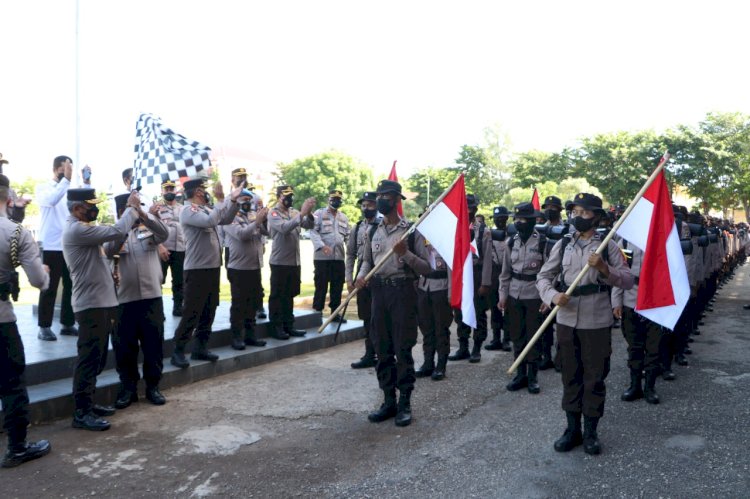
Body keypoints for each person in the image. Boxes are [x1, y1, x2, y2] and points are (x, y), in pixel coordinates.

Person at [536, 193, 633, 455]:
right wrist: (553, 296)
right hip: (567, 319)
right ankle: (572, 430)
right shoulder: (564, 244)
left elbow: (626, 280)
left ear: (597, 217)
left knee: (594, 377)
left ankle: (591, 431)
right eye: (574, 212)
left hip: (596, 321)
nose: (577, 217)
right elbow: (544, 276)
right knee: (570, 375)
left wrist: (604, 268)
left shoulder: (609, 247)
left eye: (584, 212)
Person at [63, 188, 142, 431]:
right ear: (77, 209)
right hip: (91, 305)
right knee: (88, 359)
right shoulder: (77, 229)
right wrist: (131, 208)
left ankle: (89, 403)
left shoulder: (83, 228)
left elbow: (112, 245)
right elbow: (117, 230)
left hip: (101, 302)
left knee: (96, 359)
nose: (94, 210)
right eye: (90, 206)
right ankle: (81, 412)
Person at [355, 180, 432, 427]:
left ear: (397, 200)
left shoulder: (411, 231)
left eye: (386, 196)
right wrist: (361, 275)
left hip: (402, 293)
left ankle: (404, 403)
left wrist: (404, 254)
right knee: (382, 348)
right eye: (379, 196)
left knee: (402, 348)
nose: (381, 200)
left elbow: (427, 268)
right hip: (379, 292)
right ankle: (388, 400)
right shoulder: (373, 230)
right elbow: (367, 260)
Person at [0, 174, 52, 467]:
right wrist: (43, 272)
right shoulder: (16, 233)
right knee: (11, 384)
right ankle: (17, 448)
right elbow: (38, 281)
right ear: (9, 200)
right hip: (1, 321)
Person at [105, 194, 169, 409]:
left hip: (151, 298)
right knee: (124, 349)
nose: (134, 213)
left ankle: (153, 386)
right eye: (130, 209)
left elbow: (164, 233)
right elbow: (109, 250)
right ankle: (128, 388)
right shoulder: (112, 233)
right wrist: (124, 222)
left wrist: (144, 214)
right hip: (124, 301)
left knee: (153, 345)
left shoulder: (146, 230)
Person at [171, 178, 242, 368]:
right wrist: (222, 200)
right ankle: (178, 350)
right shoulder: (188, 210)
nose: (206, 191)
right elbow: (211, 221)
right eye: (203, 188)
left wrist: (233, 202)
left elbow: (225, 219)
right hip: (196, 269)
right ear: (197, 192)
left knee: (209, 309)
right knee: (192, 311)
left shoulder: (207, 209)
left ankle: (200, 347)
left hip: (211, 267)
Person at [498, 202, 547, 394]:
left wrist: (546, 297)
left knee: (533, 336)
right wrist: (502, 295)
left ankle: (533, 376)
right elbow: (504, 273)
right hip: (514, 294)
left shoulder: (542, 242)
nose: (519, 222)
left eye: (523, 219)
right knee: (517, 335)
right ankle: (521, 373)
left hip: (534, 293)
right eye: (516, 219)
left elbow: (550, 273)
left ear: (532, 221)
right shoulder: (511, 242)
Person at [612, 239, 662, 404]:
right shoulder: (625, 242)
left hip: (655, 302)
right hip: (630, 299)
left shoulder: (661, 238)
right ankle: (635, 386)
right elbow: (619, 274)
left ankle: (650, 387)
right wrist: (617, 302)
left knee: (653, 348)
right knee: (634, 347)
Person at [35, 155, 77, 341]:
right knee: (49, 287)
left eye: (69, 170)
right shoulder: (43, 188)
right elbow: (51, 200)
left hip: (68, 245)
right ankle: (44, 327)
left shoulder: (68, 189)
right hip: (50, 245)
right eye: (64, 169)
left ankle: (67, 323)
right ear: (56, 168)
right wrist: (66, 180)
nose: (67, 173)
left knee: (71, 286)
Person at [266, 185, 316, 339]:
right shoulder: (273, 213)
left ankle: (289, 325)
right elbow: (284, 228)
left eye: (291, 195)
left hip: (294, 261)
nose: (289, 198)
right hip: (280, 261)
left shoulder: (294, 212)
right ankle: (276, 327)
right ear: (278, 196)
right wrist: (301, 213)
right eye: (285, 195)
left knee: (289, 295)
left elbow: (309, 225)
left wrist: (309, 214)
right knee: (277, 296)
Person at [449, 194, 492, 363]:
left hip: (477, 275)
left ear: (475, 209)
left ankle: (477, 348)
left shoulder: (483, 231)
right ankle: (463, 346)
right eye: (464, 207)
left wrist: (485, 283)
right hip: (461, 276)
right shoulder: (455, 228)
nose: (467, 211)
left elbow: (488, 259)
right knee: (460, 312)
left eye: (470, 208)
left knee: (479, 313)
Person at [223, 192, 269, 350]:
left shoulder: (252, 215)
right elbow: (241, 235)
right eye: (244, 200)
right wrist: (257, 222)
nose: (248, 203)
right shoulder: (230, 218)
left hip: (254, 266)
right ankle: (236, 336)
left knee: (253, 302)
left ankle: (250, 335)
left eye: (250, 200)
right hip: (238, 268)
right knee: (239, 304)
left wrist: (264, 219)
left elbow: (267, 232)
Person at [346, 192, 381, 369]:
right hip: (361, 275)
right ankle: (370, 353)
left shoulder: (383, 224)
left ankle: (383, 353)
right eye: (364, 205)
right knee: (366, 317)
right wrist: (349, 278)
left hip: (378, 276)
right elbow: (351, 254)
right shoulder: (357, 227)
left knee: (380, 318)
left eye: (370, 205)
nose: (366, 209)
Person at [414, 240, 453, 381]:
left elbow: (452, 269)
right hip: (424, 287)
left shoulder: (445, 240)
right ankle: (428, 363)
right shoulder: (421, 241)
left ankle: (441, 365)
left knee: (441, 328)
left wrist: (451, 292)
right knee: (426, 327)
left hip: (441, 287)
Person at [310, 189, 350, 322]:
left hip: (338, 258)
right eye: (333, 199)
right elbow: (313, 232)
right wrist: (321, 246)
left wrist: (351, 247)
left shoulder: (343, 217)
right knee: (321, 286)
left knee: (337, 286)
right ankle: (317, 313)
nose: (336, 201)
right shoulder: (319, 214)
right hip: (322, 258)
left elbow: (348, 236)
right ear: (329, 200)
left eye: (338, 199)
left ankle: (335, 313)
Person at [485, 206, 512, 352]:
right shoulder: (490, 234)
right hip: (494, 273)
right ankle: (496, 338)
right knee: (495, 308)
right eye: (496, 218)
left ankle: (506, 339)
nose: (499, 220)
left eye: (502, 217)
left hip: (508, 273)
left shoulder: (513, 234)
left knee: (507, 308)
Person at [156, 180, 185, 316]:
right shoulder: (157, 208)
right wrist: (160, 246)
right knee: (158, 280)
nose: (169, 192)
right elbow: (152, 229)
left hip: (180, 248)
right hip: (163, 249)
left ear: (175, 190)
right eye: (166, 189)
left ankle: (178, 307)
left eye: (171, 189)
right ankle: (158, 311)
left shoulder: (182, 208)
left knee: (179, 280)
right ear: (162, 191)